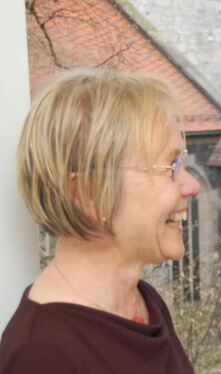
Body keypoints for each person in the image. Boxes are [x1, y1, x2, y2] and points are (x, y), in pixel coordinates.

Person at [0, 69, 200, 373]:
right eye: (169, 166)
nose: (192, 185)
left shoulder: (145, 303)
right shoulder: (41, 355)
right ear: (86, 194)